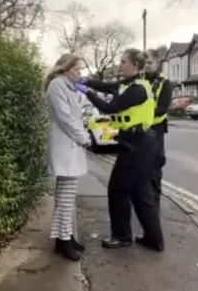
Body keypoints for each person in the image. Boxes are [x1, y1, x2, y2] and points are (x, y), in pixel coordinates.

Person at [76, 49, 164, 252]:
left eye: (123, 61)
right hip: (136, 141)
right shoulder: (127, 85)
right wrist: (87, 81)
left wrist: (86, 92)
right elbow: (107, 86)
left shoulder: (138, 89)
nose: (120, 64)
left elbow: (110, 108)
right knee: (140, 192)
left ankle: (122, 236)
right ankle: (154, 239)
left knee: (117, 189)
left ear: (134, 65)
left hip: (138, 143)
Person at [44, 54, 90, 261]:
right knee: (65, 199)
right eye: (76, 69)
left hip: (71, 147)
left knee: (66, 198)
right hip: (66, 147)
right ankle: (63, 241)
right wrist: (85, 138)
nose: (79, 73)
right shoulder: (57, 85)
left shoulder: (68, 87)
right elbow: (66, 118)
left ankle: (64, 237)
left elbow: (77, 116)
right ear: (65, 68)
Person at [143, 49, 172, 207]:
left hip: (155, 129)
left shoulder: (163, 82)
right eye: (144, 63)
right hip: (140, 129)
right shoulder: (139, 80)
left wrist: (142, 115)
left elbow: (162, 108)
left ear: (157, 63)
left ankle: (154, 206)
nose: (146, 66)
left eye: (150, 63)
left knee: (154, 169)